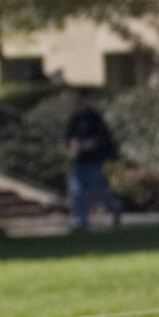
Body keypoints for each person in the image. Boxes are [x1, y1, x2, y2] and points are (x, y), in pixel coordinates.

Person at [60, 95, 120, 232]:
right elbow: (69, 138)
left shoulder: (94, 118)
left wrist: (88, 145)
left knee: (98, 192)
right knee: (77, 192)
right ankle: (80, 222)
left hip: (94, 163)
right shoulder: (74, 119)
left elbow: (102, 139)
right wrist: (72, 147)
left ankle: (115, 207)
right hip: (78, 163)